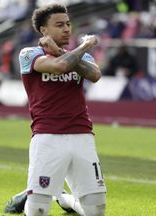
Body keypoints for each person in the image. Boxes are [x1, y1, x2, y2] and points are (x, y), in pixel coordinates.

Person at [17, 3, 107, 216]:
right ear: (43, 31)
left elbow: (95, 75)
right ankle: (44, 198)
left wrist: (59, 51)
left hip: (82, 135)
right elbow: (59, 67)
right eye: (59, 25)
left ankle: (65, 199)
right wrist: (85, 45)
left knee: (96, 210)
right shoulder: (29, 54)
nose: (67, 28)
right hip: (47, 137)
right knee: (38, 210)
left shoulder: (79, 57)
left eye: (68, 24)